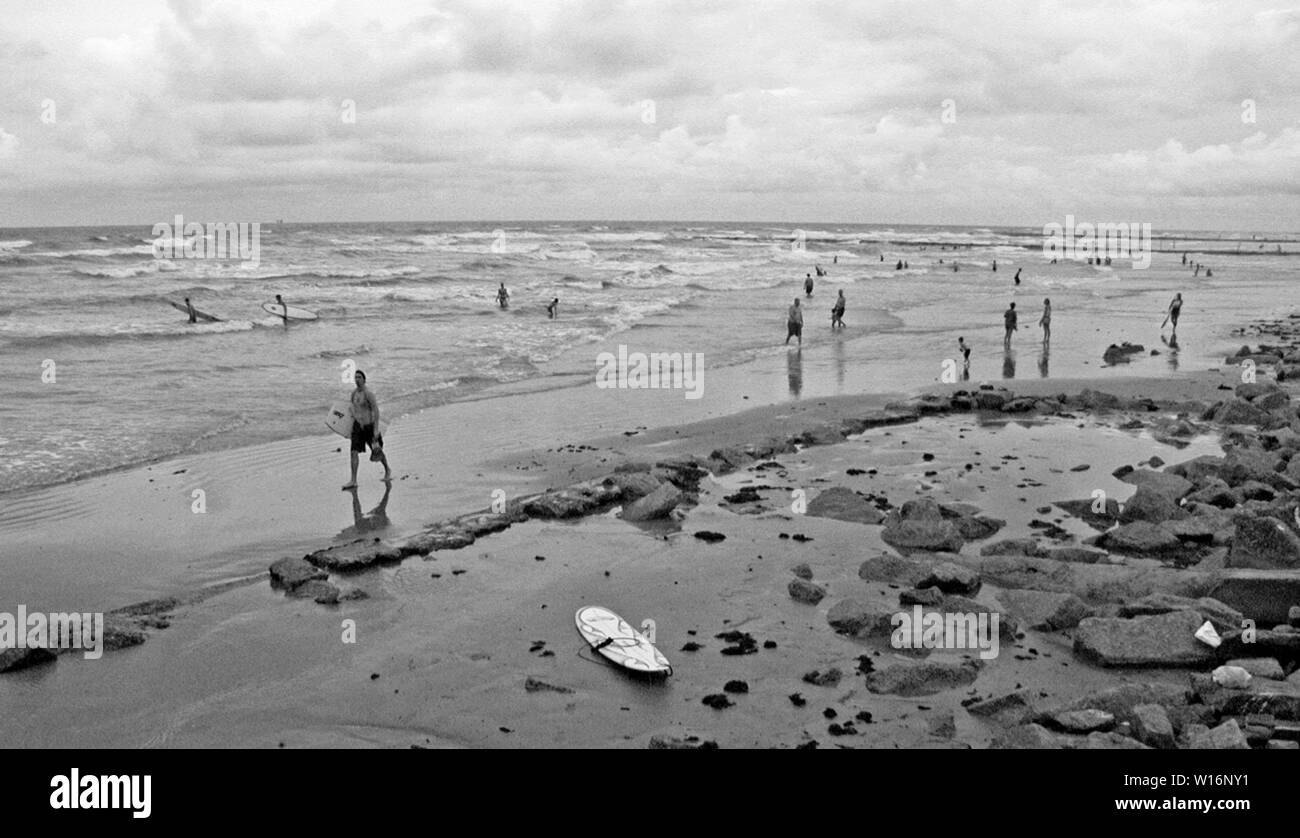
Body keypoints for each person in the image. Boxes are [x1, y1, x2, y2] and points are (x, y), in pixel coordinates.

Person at [342, 370, 392, 489]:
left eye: (359, 377)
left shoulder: (368, 394)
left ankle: (387, 469)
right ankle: (353, 480)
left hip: (369, 426)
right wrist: (349, 428)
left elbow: (376, 411)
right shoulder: (354, 393)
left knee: (377, 451)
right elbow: (352, 410)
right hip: (357, 427)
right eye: (355, 377)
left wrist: (375, 429)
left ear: (364, 379)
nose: (357, 379)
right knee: (353, 452)